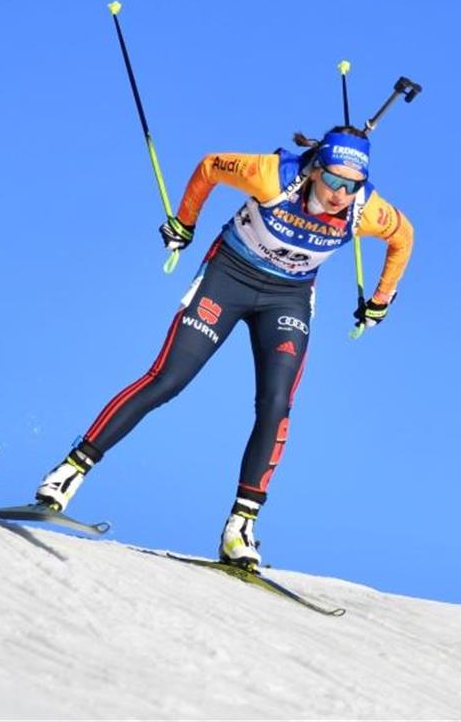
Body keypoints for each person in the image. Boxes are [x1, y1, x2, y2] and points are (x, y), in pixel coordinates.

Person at [32, 125, 414, 569]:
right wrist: (184, 223)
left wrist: (380, 301)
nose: (340, 194)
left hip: (286, 298)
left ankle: (241, 528)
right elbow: (211, 166)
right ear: (315, 170)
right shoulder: (271, 176)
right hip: (229, 277)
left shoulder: (367, 211)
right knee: (168, 379)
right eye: (333, 180)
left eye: (352, 185)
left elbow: (403, 238)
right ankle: (68, 472)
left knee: (276, 405)